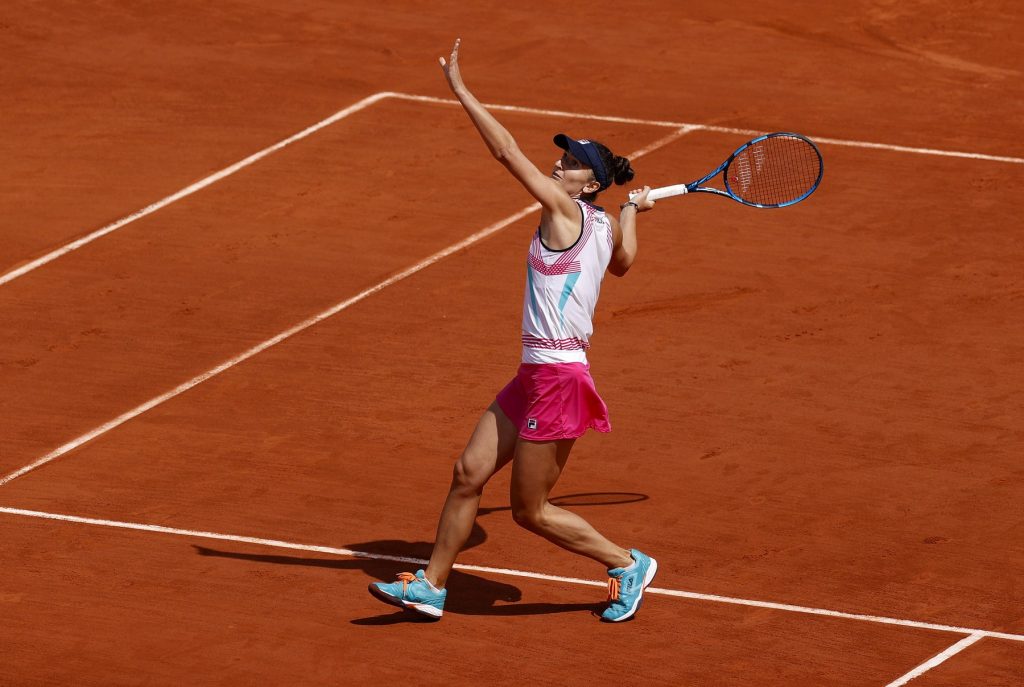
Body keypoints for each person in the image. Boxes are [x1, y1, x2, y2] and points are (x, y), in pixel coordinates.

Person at [368, 39, 658, 622]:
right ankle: (431, 586)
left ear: (588, 183)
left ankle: (627, 563)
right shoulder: (601, 221)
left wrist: (461, 91)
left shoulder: (565, 211)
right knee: (467, 473)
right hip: (533, 373)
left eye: (571, 162)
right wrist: (634, 209)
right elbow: (623, 261)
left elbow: (504, 152)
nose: (558, 164)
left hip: (559, 379)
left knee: (530, 510)